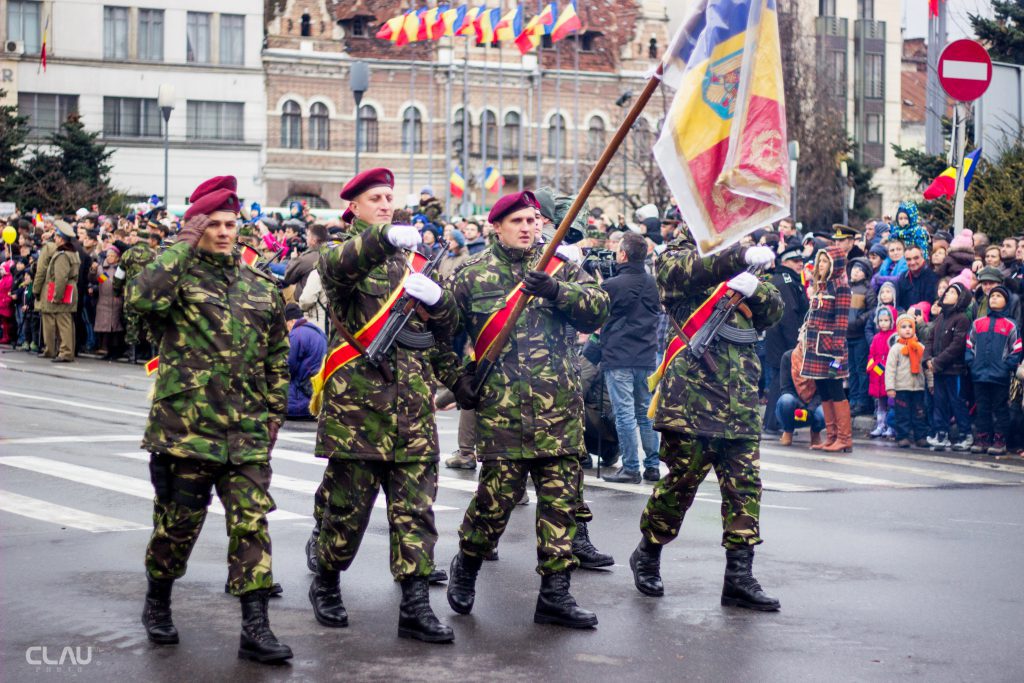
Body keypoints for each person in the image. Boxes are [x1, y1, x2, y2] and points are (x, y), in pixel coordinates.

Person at [129, 175, 292, 663]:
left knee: (251, 526)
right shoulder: (175, 277)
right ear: (197, 227)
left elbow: (277, 357)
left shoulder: (260, 285)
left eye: (230, 223)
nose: (224, 232)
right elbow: (141, 298)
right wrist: (181, 243)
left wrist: (272, 417)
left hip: (245, 435)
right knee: (178, 527)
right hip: (186, 432)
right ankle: (158, 600)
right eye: (214, 224)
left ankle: (256, 626)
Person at [444, 191, 610, 629]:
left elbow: (598, 312)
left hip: (559, 412)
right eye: (516, 220)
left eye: (533, 220)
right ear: (496, 227)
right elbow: (439, 333)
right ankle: (467, 564)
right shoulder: (471, 276)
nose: (527, 228)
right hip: (503, 415)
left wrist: (557, 291)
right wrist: (456, 378)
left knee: (560, 508)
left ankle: (556, 595)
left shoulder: (561, 267)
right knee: (493, 506)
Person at [309, 167, 457, 644]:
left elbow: (441, 332)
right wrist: (383, 238)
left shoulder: (412, 263)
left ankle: (415, 604)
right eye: (376, 198)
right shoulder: (342, 255)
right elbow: (338, 268)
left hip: (412, 412)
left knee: (416, 514)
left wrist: (440, 303)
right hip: (359, 414)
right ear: (353, 207)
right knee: (346, 513)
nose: (387, 204)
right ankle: (327, 581)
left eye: (390, 197)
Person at [628, 233, 783, 611]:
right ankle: (647, 552)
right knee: (681, 485)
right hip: (692, 400)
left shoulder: (747, 266)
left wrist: (755, 290)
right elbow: (683, 273)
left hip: (741, 398)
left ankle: (739, 578)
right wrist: (737, 257)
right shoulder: (677, 257)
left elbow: (774, 311)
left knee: (745, 489)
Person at [599, 232, 663, 484]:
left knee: (624, 413)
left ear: (623, 255)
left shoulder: (612, 285)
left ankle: (631, 467)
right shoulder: (653, 284)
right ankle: (653, 465)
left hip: (618, 355)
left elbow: (597, 315)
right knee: (645, 412)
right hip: (646, 354)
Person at [801, 245, 853, 452]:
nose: (820, 265)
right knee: (824, 390)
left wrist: (837, 354)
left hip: (831, 349)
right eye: (820, 261)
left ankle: (844, 438)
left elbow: (841, 323)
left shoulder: (841, 286)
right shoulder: (821, 286)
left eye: (825, 261)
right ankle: (831, 437)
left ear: (835, 265)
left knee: (835, 389)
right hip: (816, 348)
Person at [966, 285, 1022, 455]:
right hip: (980, 375)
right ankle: (983, 437)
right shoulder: (978, 323)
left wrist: (1007, 366)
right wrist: (972, 363)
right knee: (982, 407)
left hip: (1000, 376)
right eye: (992, 296)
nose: (994, 298)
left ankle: (1000, 439)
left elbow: (1017, 349)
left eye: (998, 295)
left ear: (1006, 301)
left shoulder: (1010, 325)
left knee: (1000, 408)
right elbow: (969, 345)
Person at [763, 241, 809, 434]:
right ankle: (774, 422)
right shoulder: (786, 281)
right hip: (783, 339)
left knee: (777, 379)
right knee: (779, 381)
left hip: (775, 338)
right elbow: (789, 315)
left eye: (801, 260)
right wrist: (795, 343)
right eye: (796, 261)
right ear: (786, 262)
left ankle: (772, 421)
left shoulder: (782, 279)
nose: (800, 264)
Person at [926, 282, 973, 451]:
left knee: (957, 402)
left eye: (952, 292)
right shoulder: (940, 318)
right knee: (940, 402)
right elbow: (930, 339)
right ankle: (941, 433)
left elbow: (957, 345)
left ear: (960, 298)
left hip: (955, 370)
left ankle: (965, 434)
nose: (947, 294)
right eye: (947, 291)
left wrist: (937, 361)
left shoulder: (962, 319)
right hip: (939, 369)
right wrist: (928, 359)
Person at [35, 220, 81, 363]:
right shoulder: (72, 253)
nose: (54, 239)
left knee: (63, 321)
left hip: (64, 290)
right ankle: (64, 351)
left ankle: (66, 352)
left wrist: (57, 296)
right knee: (66, 320)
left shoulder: (62, 255)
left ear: (61, 239)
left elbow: (61, 278)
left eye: (57, 236)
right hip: (70, 288)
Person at [885, 313, 932, 448]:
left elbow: (927, 368)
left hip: (917, 387)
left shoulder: (920, 347)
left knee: (919, 413)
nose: (907, 330)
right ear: (898, 330)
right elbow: (890, 369)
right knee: (903, 414)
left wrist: (931, 383)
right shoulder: (896, 349)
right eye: (904, 327)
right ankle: (903, 436)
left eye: (910, 327)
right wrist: (890, 387)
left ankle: (920, 436)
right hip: (901, 387)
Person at [775, 341, 825, 445]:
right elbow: (786, 388)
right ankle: (788, 431)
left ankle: (815, 432)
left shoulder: (820, 358)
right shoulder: (788, 356)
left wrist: (809, 410)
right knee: (786, 400)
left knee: (824, 413)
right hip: (794, 405)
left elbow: (822, 392)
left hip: (813, 406)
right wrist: (801, 407)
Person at [284, 303, 327, 420]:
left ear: (291, 321)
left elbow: (288, 368)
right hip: (316, 398)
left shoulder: (296, 334)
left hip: (298, 404)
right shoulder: (320, 332)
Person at [846, 257, 876, 416]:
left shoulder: (868, 290)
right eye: (854, 269)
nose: (855, 272)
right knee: (851, 369)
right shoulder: (846, 288)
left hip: (859, 335)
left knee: (861, 369)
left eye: (859, 270)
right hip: (847, 335)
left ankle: (862, 401)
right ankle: (853, 399)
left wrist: (859, 321)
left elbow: (872, 310)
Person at [867, 306, 897, 438]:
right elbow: (871, 355)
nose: (883, 323)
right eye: (881, 320)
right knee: (880, 404)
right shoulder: (876, 337)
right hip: (877, 375)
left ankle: (891, 426)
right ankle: (880, 425)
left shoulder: (894, 337)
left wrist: (879, 368)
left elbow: (893, 357)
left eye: (886, 320)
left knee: (891, 403)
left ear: (892, 320)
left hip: (888, 375)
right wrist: (871, 368)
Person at [92, 243, 126, 360]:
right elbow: (100, 281)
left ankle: (116, 351)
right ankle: (107, 350)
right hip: (104, 301)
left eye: (112, 255)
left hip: (116, 301)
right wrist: (93, 271)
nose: (109, 257)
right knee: (105, 328)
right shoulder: (102, 269)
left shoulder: (120, 269)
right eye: (108, 255)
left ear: (117, 257)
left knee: (115, 327)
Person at [896, 246, 939, 311]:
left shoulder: (933, 277)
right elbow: (898, 304)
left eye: (916, 258)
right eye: (908, 259)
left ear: (923, 257)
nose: (912, 262)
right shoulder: (903, 277)